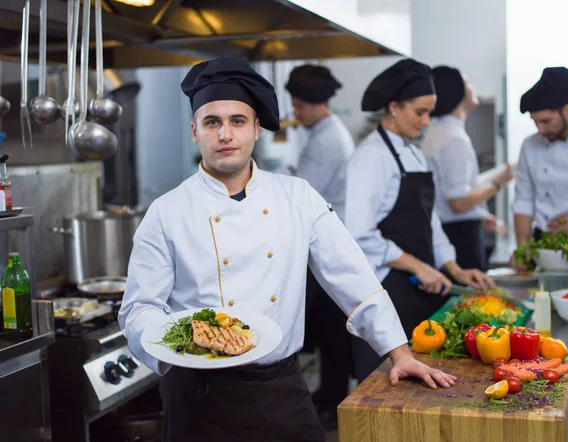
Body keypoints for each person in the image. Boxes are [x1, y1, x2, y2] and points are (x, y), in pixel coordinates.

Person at [118, 56, 457, 442]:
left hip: (277, 386)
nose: (225, 134)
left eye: (238, 121)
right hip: (197, 394)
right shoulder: (166, 211)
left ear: (256, 128)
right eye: (213, 122)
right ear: (195, 131)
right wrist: (175, 350)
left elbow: (351, 274)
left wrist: (399, 353)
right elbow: (138, 308)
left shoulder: (297, 197)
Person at [344, 58, 495, 382]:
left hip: (420, 292)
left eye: (430, 112)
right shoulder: (370, 157)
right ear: (394, 106)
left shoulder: (413, 153)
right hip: (385, 293)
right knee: (383, 394)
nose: (427, 122)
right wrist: (415, 265)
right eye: (420, 112)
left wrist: (453, 268)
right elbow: (359, 234)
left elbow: (430, 222)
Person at [285, 64, 354, 429]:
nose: (295, 112)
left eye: (297, 105)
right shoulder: (327, 133)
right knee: (330, 329)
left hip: (327, 245)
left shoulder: (327, 140)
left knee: (331, 329)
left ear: (314, 104)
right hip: (327, 242)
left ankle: (332, 402)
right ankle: (330, 396)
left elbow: (301, 197)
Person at [421, 66, 513, 270]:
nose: (473, 87)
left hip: (450, 232)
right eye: (468, 82)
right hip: (460, 239)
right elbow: (459, 203)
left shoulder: (438, 132)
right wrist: (498, 184)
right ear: (458, 92)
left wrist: (480, 217)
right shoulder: (453, 138)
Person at [511, 67, 568, 267]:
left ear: (566, 110)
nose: (540, 129)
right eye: (535, 122)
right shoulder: (529, 145)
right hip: (544, 244)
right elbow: (523, 198)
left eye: (546, 121)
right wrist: (522, 246)